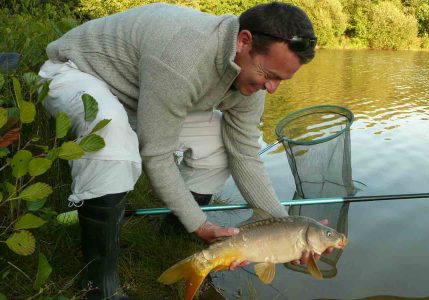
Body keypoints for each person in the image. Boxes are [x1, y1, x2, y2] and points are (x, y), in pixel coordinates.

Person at [39, 2, 325, 299]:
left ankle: (173, 234)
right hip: (77, 76)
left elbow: (245, 155)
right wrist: (200, 224)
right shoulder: (183, 56)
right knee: (111, 134)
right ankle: (99, 286)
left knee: (218, 144)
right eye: (270, 74)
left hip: (140, 97)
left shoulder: (251, 77)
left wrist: (288, 228)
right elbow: (157, 154)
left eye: (281, 79)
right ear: (244, 41)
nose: (273, 87)